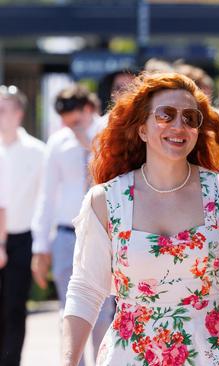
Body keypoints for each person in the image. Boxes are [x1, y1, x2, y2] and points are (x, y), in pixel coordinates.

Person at [60, 72, 219, 366]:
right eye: (165, 115)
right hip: (130, 356)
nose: (178, 126)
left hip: (214, 355)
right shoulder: (106, 200)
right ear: (142, 129)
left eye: (189, 118)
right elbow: (86, 290)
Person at [30, 84, 114, 365]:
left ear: (89, 109)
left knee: (103, 311)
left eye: (76, 120)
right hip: (67, 235)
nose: (71, 127)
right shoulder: (57, 143)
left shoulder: (108, 134)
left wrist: (87, 140)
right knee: (69, 310)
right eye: (67, 123)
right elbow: (47, 195)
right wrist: (40, 246)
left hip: (102, 234)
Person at [0, 85, 45, 366]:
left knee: (14, 307)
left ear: (18, 113)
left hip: (22, 239)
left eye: (3, 109)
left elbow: (44, 200)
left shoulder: (38, 152)